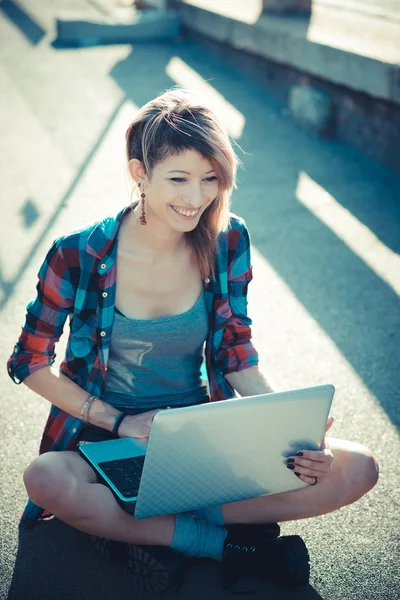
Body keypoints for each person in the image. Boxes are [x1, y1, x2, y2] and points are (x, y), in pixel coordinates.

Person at [7, 88, 379, 593]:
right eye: (178, 178)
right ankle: (226, 544)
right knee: (46, 479)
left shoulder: (227, 239)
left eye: (210, 179)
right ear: (140, 173)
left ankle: (146, 531)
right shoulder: (78, 253)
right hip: (108, 439)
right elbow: (29, 361)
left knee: (357, 468)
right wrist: (120, 420)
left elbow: (235, 352)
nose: (196, 198)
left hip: (198, 436)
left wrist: (290, 429)